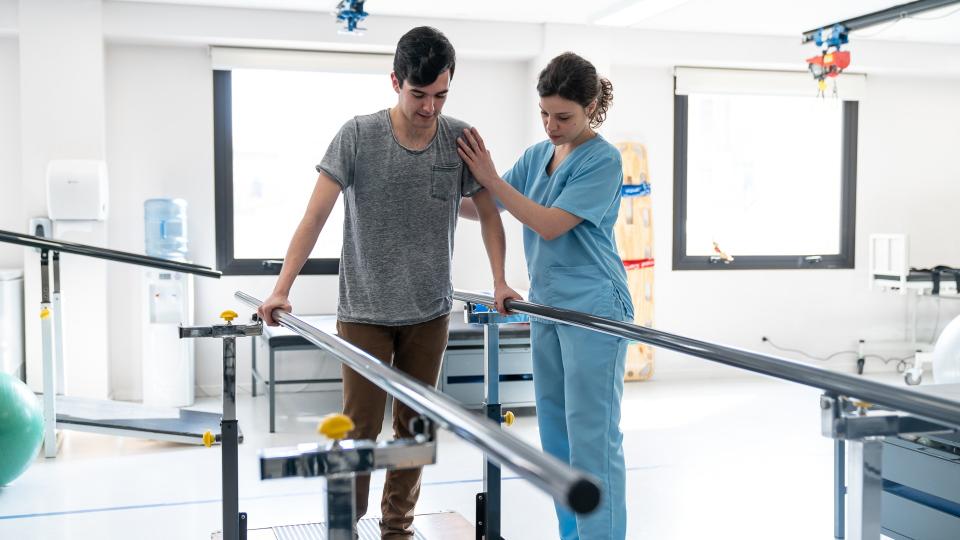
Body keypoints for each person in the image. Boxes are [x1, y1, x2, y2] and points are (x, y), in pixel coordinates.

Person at [257, 26, 520, 538]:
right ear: (395, 81)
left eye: (441, 95)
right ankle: (347, 520)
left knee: (414, 431)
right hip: (364, 312)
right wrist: (282, 286)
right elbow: (315, 215)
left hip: (429, 312)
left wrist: (500, 281)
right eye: (418, 95)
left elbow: (489, 213)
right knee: (358, 431)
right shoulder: (358, 135)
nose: (429, 108)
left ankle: (397, 527)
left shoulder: (459, 138)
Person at [456, 52, 633, 540]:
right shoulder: (537, 156)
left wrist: (491, 179)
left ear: (591, 106)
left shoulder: (603, 159)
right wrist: (433, 188)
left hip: (595, 308)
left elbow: (549, 225)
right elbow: (484, 206)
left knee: (592, 441)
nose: (552, 125)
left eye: (564, 116)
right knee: (555, 438)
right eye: (545, 114)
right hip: (547, 306)